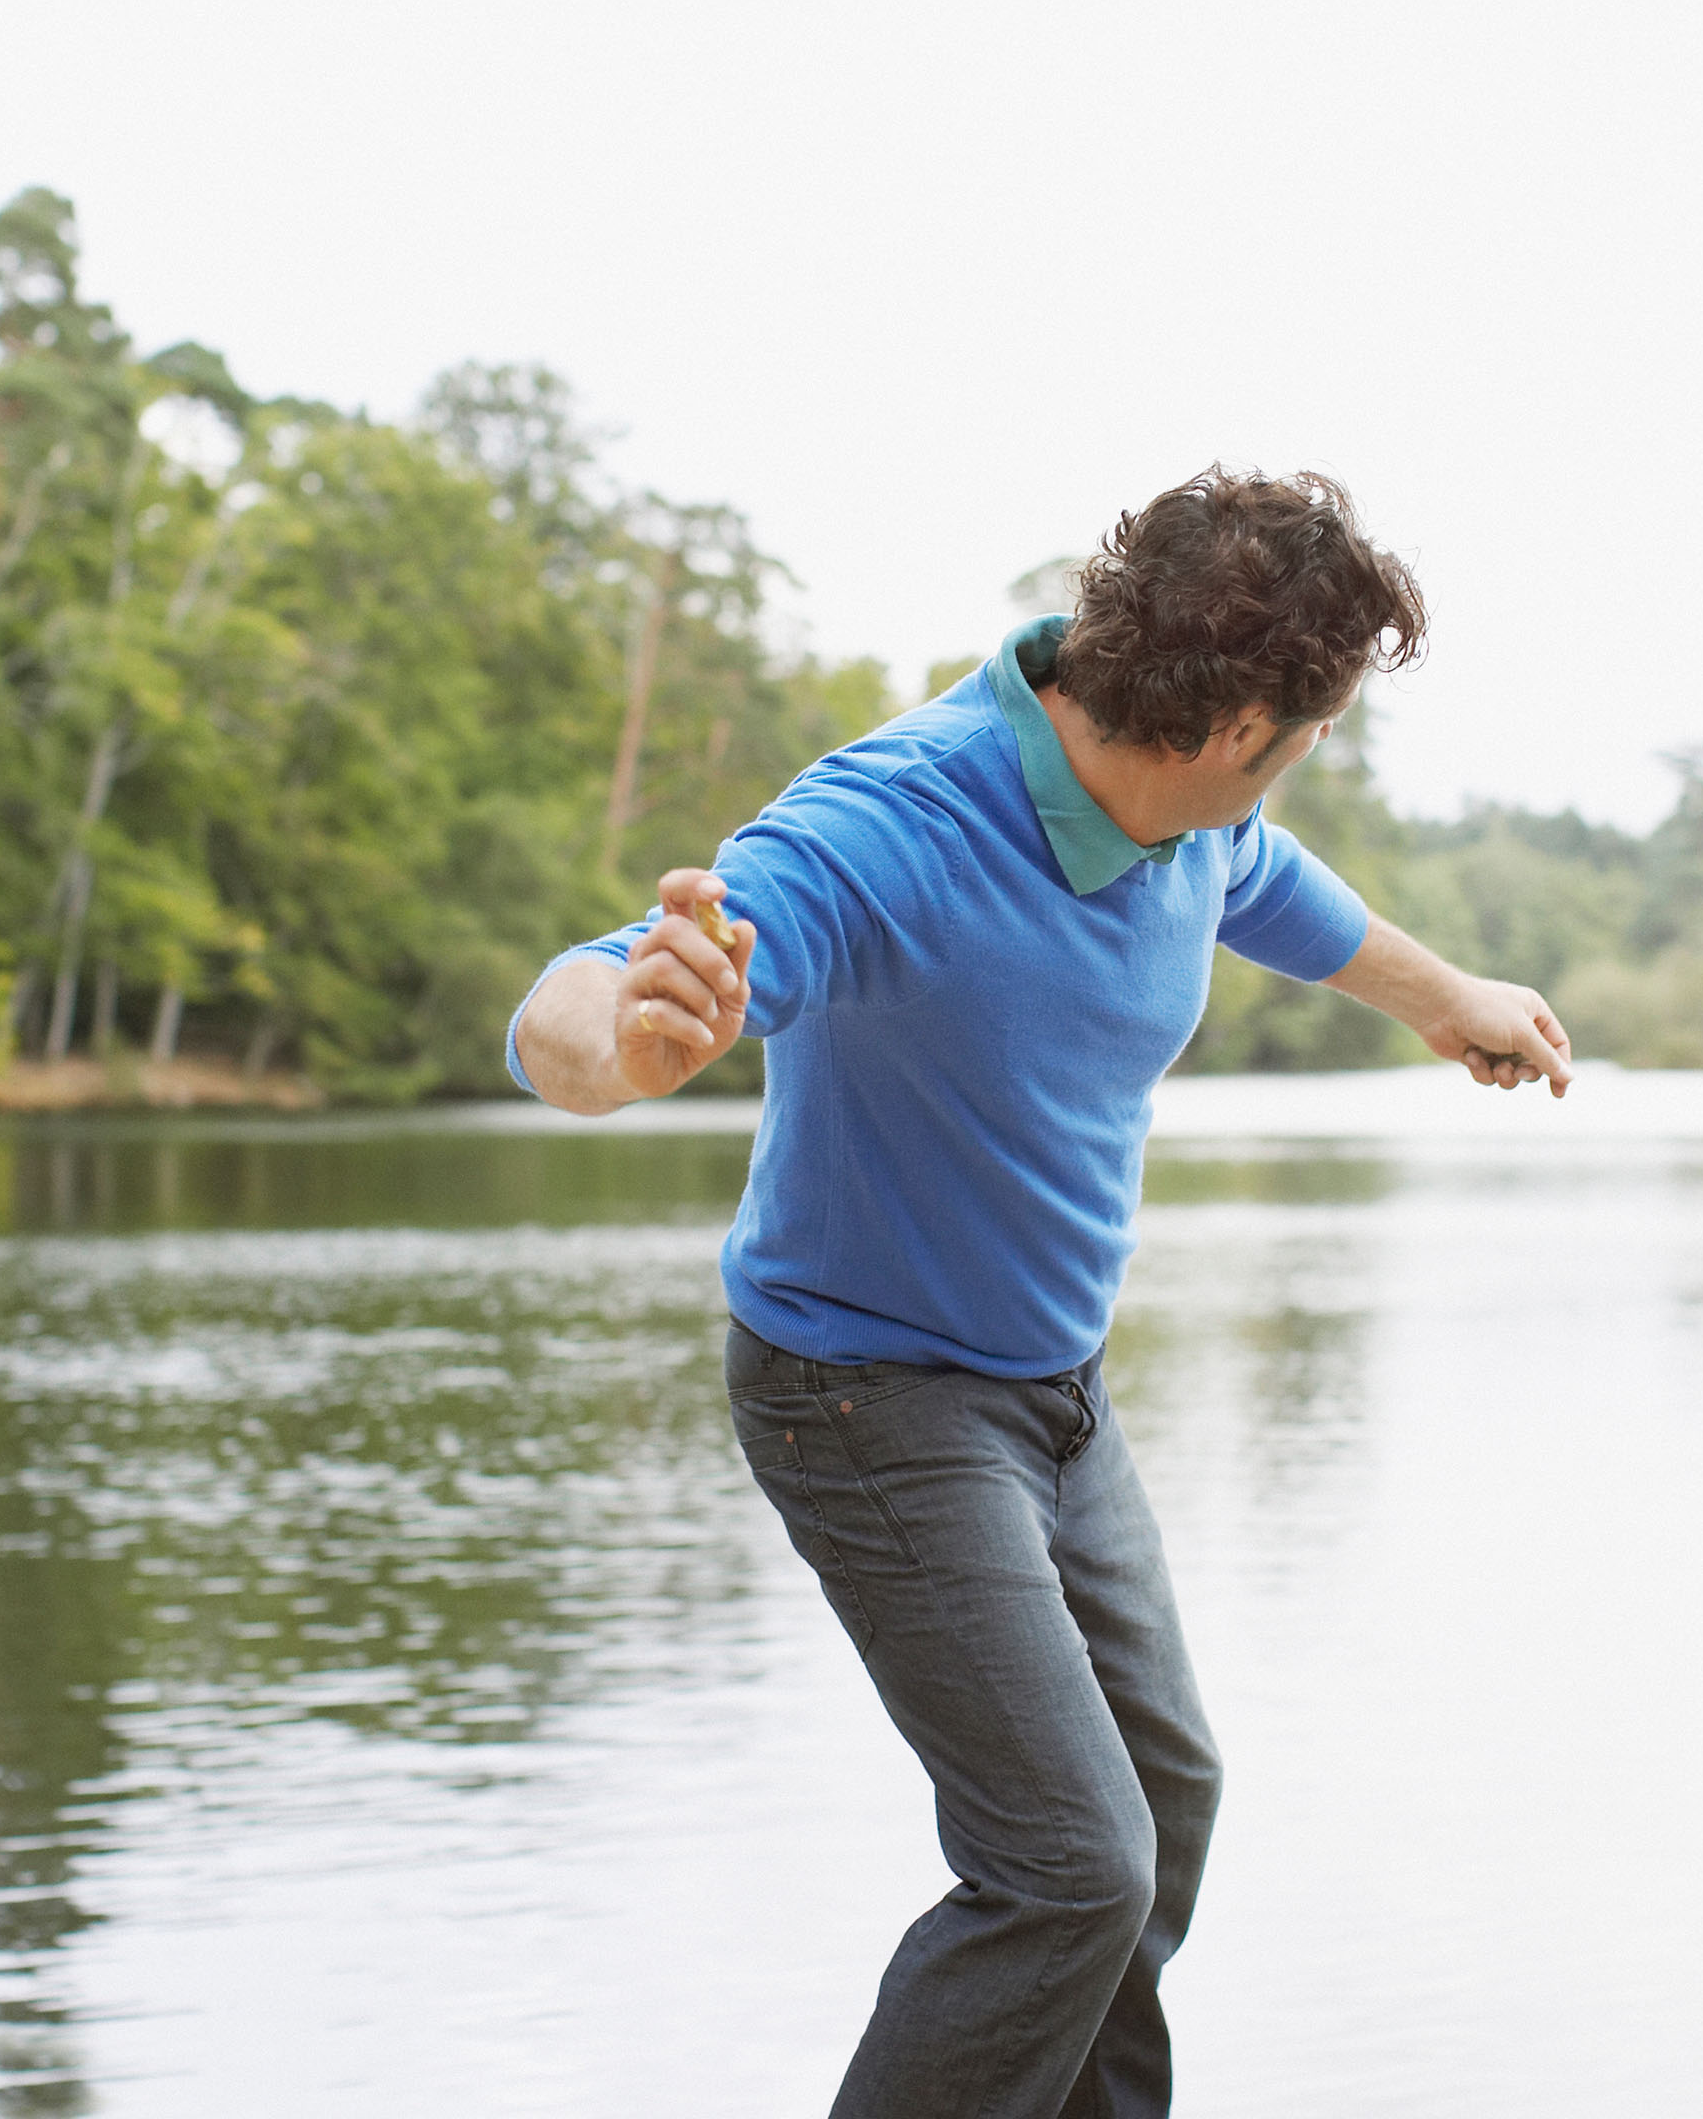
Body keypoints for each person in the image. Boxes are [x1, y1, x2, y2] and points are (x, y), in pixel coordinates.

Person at [507, 468, 1572, 2119]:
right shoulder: (901, 823)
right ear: (1232, 725)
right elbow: (577, 996)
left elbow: (1277, 892)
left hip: (1055, 1400)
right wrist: (632, 1045)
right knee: (1070, 1865)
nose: (1310, 759)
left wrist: (1449, 1003)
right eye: (1313, 730)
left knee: (1162, 1803)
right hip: (867, 1398)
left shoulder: (1189, 823)